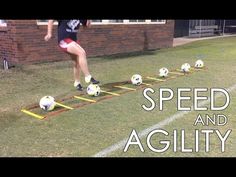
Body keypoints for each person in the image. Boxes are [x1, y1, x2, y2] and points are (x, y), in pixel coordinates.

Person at [44, 20, 99, 91]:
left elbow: (87, 26)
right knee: (81, 52)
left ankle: (77, 83)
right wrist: (49, 34)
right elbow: (51, 21)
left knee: (77, 62)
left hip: (72, 41)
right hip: (64, 41)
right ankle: (88, 76)